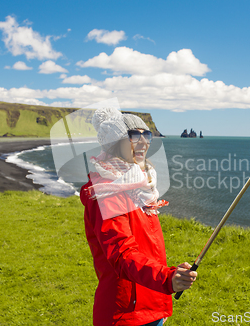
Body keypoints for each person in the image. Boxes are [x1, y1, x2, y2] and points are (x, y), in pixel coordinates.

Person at [80, 107, 197, 326]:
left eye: (147, 135)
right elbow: (122, 254)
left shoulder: (139, 185)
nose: (143, 142)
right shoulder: (107, 192)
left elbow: (146, 248)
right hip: (127, 312)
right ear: (115, 143)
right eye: (135, 135)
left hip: (151, 302)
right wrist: (166, 278)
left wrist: (170, 275)